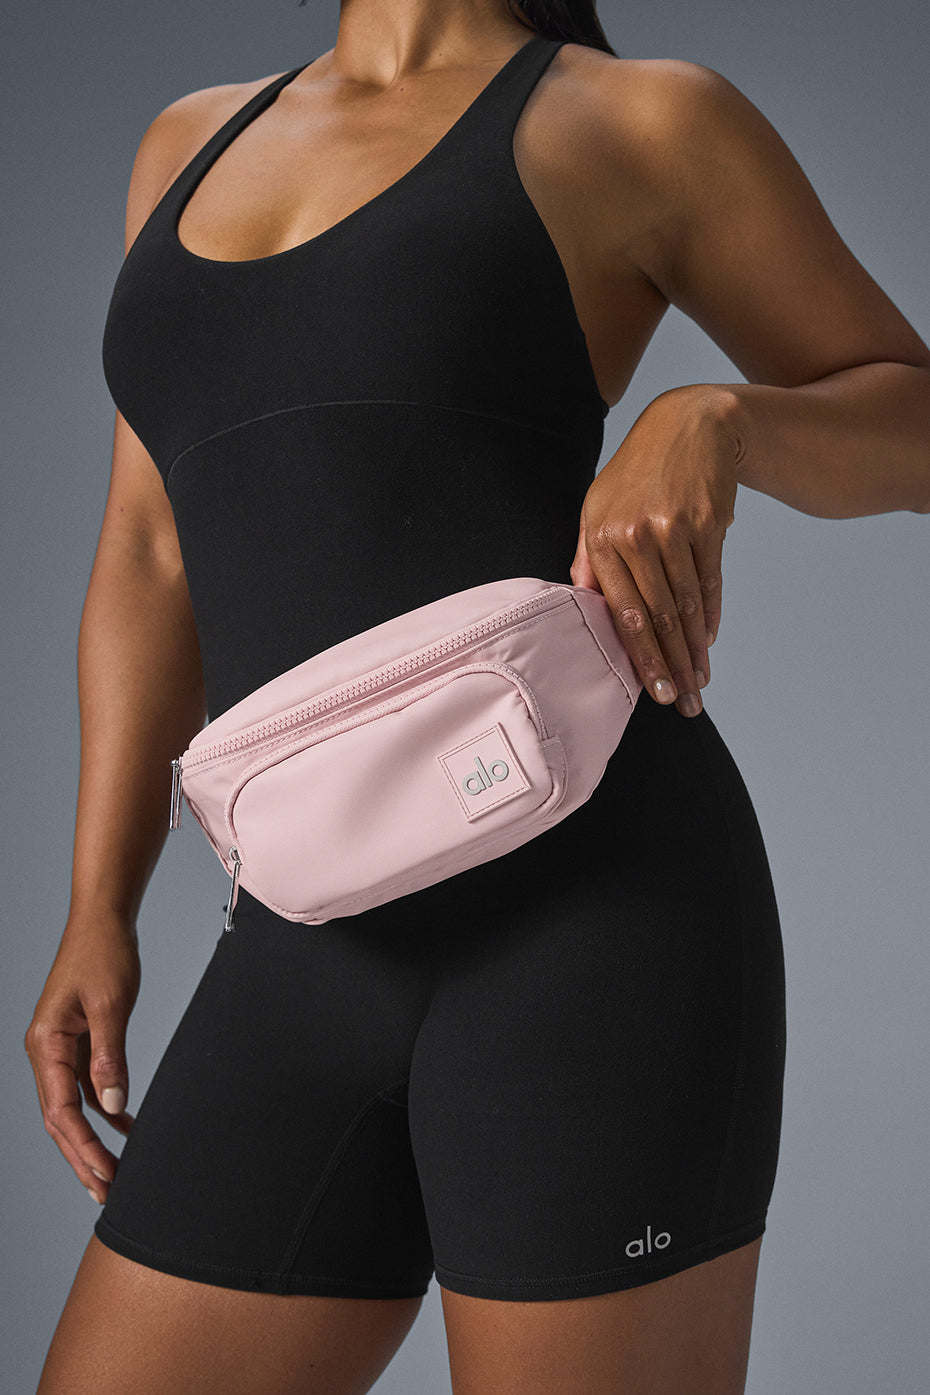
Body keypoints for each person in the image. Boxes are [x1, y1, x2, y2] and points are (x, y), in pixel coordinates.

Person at [25, 0, 930, 1391]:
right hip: (301, 938)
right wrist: (100, 902)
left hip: (590, 928)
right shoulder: (183, 148)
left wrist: (717, 419)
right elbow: (150, 552)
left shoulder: (639, 122)